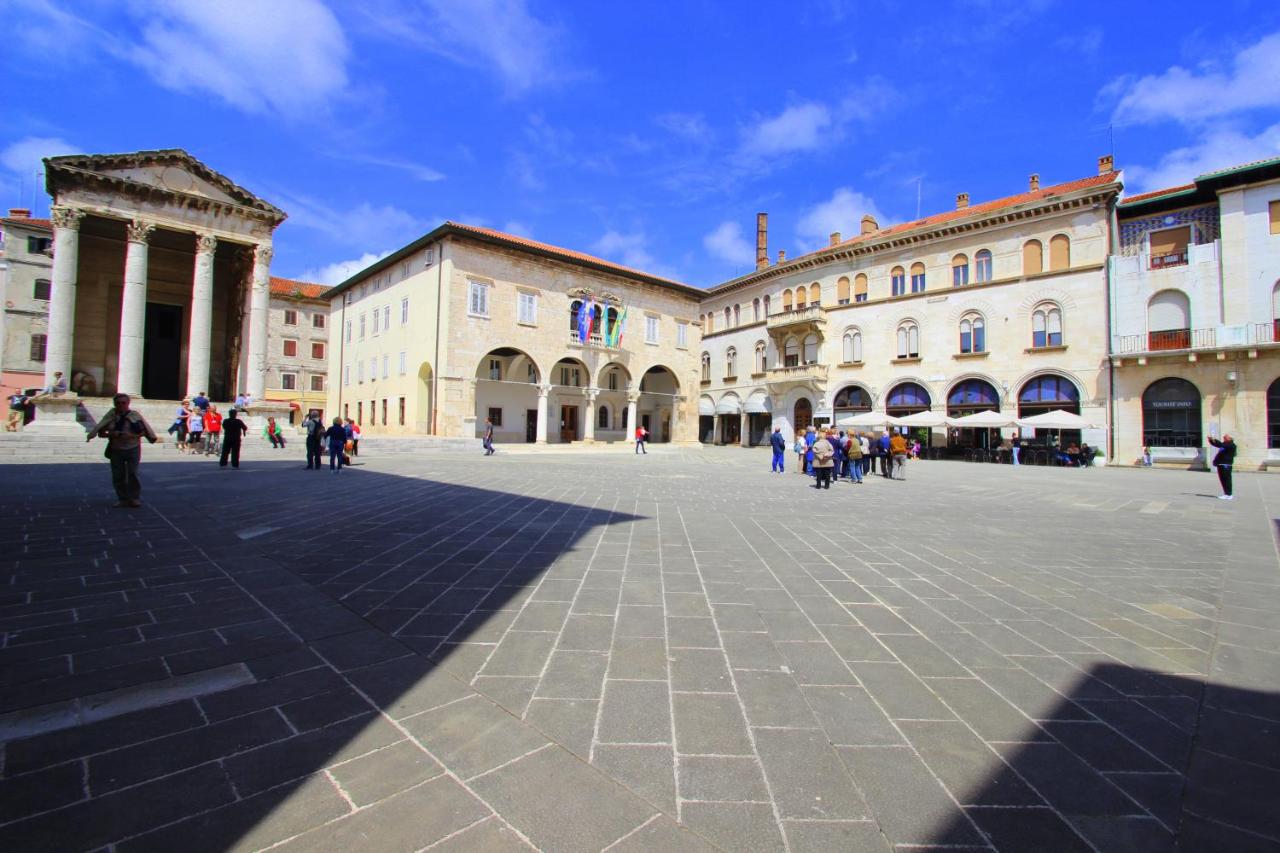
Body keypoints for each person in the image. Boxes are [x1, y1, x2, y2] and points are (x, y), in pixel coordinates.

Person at [86, 393, 158, 508]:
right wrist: (112, 434)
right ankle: (122, 498)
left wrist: (131, 436)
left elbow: (144, 431)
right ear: (114, 404)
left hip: (133, 448)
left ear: (128, 403)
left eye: (123, 403)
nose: (121, 405)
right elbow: (101, 433)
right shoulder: (110, 416)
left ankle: (134, 498)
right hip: (116, 449)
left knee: (132, 473)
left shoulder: (134, 416)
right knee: (118, 475)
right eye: (118, 403)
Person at [1208, 434, 1236, 500]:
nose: (1224, 437)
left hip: (1226, 465)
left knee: (1227, 480)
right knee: (1223, 480)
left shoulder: (1231, 445)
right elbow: (1217, 445)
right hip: (1221, 464)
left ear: (1230, 438)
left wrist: (1214, 439)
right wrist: (1211, 440)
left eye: (1226, 437)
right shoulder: (1225, 444)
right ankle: (1226, 494)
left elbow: (1220, 444)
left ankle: (1229, 494)